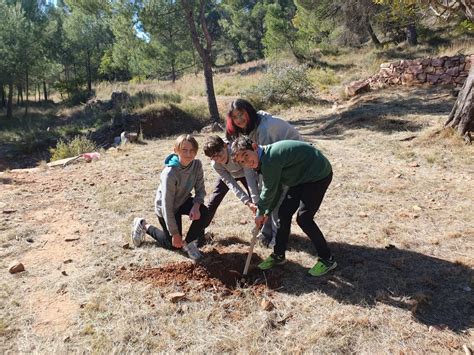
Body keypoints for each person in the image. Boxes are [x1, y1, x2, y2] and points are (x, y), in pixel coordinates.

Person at [231, 136, 336, 277]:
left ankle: (327, 259)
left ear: (255, 147)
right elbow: (276, 187)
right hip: (299, 177)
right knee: (283, 214)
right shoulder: (263, 160)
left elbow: (268, 190)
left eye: (246, 155)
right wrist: (267, 211)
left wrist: (261, 212)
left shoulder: (270, 158)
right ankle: (279, 255)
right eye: (242, 162)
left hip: (317, 174)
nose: (247, 162)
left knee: (304, 218)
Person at [225, 98, 303, 246]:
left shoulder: (264, 129)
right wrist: (256, 198)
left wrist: (263, 197)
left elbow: (268, 166)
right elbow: (250, 165)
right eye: (235, 117)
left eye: (241, 114)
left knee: (276, 199)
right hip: (276, 163)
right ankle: (265, 233)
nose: (239, 120)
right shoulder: (248, 129)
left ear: (249, 112)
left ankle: (277, 238)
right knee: (265, 195)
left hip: (294, 163)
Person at [131, 134, 208, 260]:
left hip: (183, 200)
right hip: (166, 208)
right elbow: (167, 206)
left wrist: (196, 205)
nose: (188, 154)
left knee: (204, 211)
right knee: (172, 244)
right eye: (184, 150)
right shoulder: (170, 173)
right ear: (176, 150)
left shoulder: (197, 165)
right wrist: (175, 234)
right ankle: (143, 225)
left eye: (192, 150)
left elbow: (200, 190)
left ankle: (189, 243)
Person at [203, 135, 259, 227]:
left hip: (246, 173)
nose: (219, 158)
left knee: (257, 200)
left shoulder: (236, 152)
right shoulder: (216, 164)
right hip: (229, 174)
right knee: (213, 202)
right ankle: (199, 234)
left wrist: (254, 201)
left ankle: (264, 230)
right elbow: (231, 183)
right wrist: (247, 202)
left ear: (225, 145)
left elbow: (250, 177)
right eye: (214, 156)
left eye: (219, 152)